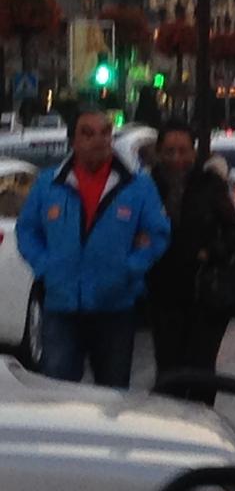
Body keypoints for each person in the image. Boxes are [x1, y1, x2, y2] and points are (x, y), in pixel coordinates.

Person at [15, 110, 171, 388]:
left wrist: (130, 267)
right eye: (88, 133)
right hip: (62, 309)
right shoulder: (49, 184)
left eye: (105, 132)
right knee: (58, 395)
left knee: (112, 399)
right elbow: (27, 230)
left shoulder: (136, 187)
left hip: (114, 309)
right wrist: (46, 266)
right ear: (74, 141)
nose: (98, 140)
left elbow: (157, 233)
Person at [147, 121, 235, 404]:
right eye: (169, 151)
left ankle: (203, 431)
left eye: (182, 151)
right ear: (158, 153)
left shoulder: (210, 186)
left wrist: (209, 252)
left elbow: (234, 233)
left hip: (205, 295)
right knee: (169, 373)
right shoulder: (147, 186)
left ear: (193, 153)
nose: (176, 159)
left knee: (201, 371)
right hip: (163, 293)